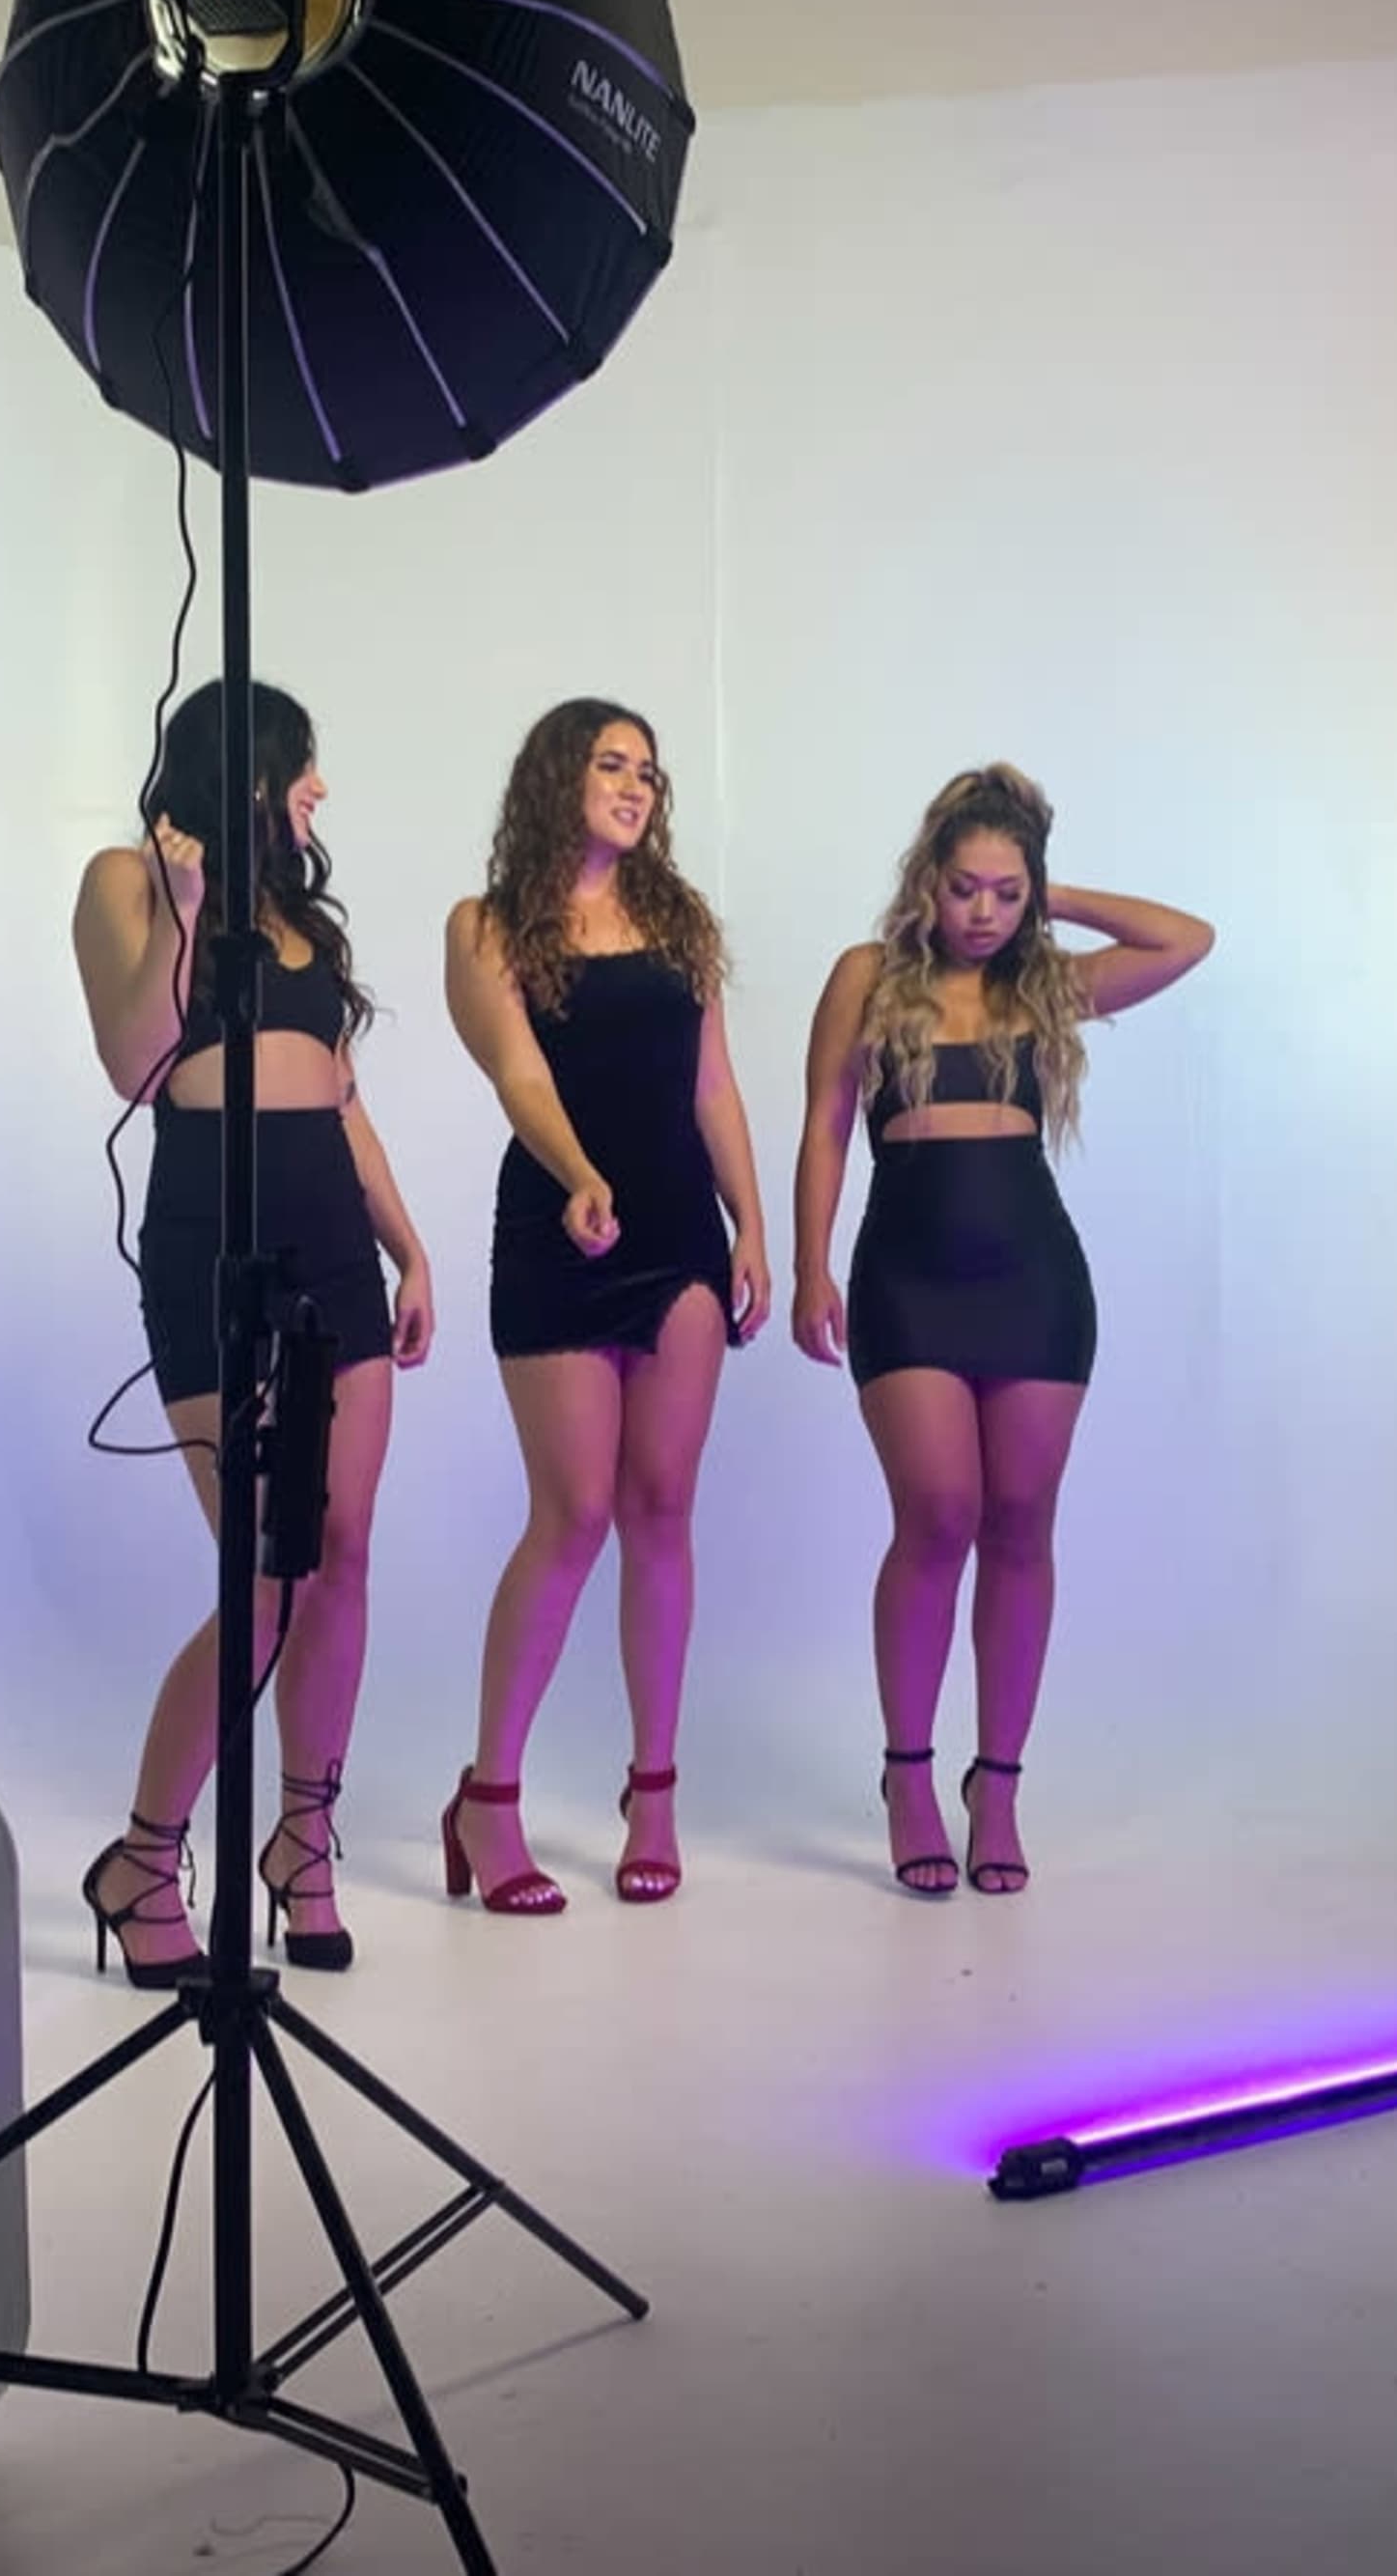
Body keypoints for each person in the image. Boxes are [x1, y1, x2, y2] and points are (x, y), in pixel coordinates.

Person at [787, 766, 1213, 1895]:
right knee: (938, 1514)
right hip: (908, 1279)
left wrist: (1052, 891)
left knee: (1021, 1522)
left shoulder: (1046, 987)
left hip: (1034, 1281)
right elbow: (828, 1123)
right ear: (925, 881)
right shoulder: (869, 977)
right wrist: (807, 1266)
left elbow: (1185, 939)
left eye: (1005, 893)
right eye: (965, 886)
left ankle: (1001, 1785)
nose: (983, 912)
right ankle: (912, 1774)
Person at [68, 680, 433, 1986]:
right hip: (212, 1252)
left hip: (336, 1247)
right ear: (246, 769)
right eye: (303, 769)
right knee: (261, 1582)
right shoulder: (126, 880)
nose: (319, 791)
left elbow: (341, 1098)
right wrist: (176, 917)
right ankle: (144, 1862)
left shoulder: (300, 920)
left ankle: (304, 1847)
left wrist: (409, 1244)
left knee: (341, 1556)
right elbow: (135, 1061)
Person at [440, 698, 771, 1913]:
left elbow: (716, 1090)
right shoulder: (485, 925)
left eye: (648, 769)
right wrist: (580, 1175)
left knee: (662, 1506)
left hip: (680, 1235)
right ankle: (490, 1800)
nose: (636, 785)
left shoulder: (679, 922)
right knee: (574, 1514)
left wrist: (753, 1228)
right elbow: (516, 1071)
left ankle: (656, 1790)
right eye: (610, 765)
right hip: (559, 1234)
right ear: (555, 780)